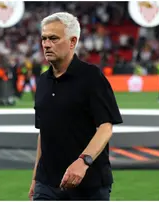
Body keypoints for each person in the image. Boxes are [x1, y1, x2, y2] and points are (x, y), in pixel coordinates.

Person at [29, 12, 123, 201]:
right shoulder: (43, 81)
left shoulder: (92, 77)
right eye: (44, 39)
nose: (46, 44)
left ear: (72, 42)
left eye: (53, 38)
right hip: (46, 185)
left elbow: (105, 127)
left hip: (89, 185)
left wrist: (83, 162)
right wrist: (35, 179)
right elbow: (44, 132)